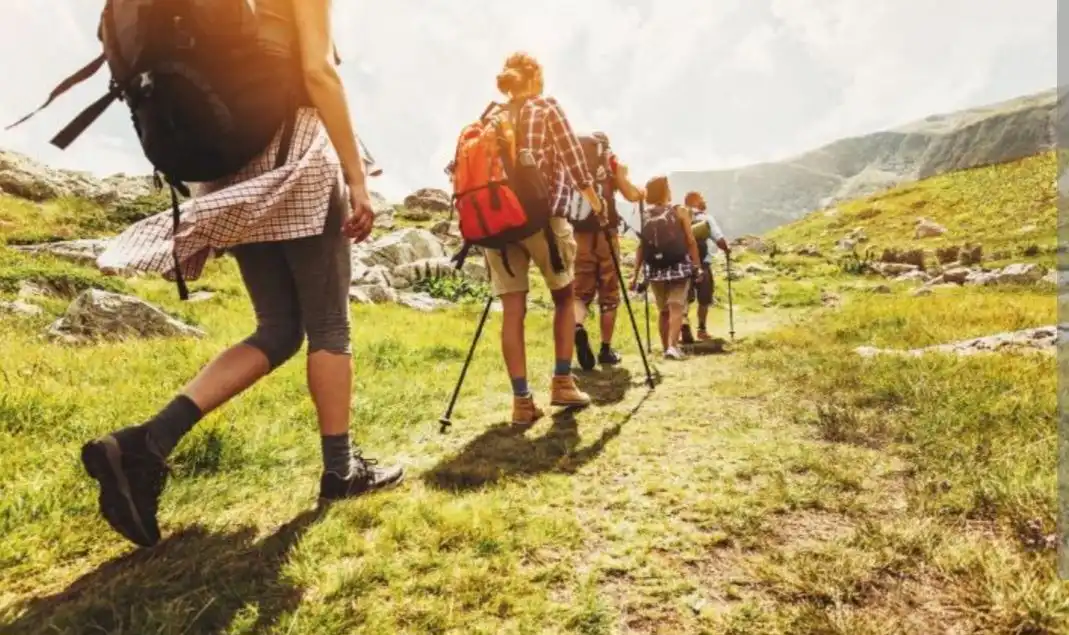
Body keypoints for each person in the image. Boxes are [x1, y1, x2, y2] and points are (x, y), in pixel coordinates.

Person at [81, 0, 403, 549]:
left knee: (276, 328)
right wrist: (357, 178)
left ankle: (145, 443)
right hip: (296, 154)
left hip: (230, 173)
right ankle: (340, 472)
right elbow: (318, 73)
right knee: (329, 325)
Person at [483, 52, 605, 426]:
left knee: (513, 311)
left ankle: (522, 402)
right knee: (565, 297)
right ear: (535, 77)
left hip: (498, 226)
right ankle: (562, 383)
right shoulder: (546, 107)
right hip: (542, 219)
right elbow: (574, 159)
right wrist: (595, 202)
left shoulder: (490, 116)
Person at [572, 132, 645, 371]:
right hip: (606, 233)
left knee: (580, 291)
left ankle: (577, 327)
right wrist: (640, 192)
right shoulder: (613, 163)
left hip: (578, 233)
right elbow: (631, 195)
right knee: (609, 291)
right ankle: (605, 349)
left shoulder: (575, 162)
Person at [630, 176, 702, 361]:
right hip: (678, 266)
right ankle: (673, 347)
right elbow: (690, 240)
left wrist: (635, 274)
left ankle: (665, 348)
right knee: (676, 306)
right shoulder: (680, 211)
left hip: (655, 269)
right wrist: (697, 266)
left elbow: (641, 246)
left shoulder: (644, 214)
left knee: (663, 310)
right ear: (666, 191)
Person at [680, 191, 730, 344]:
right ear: (697, 202)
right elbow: (718, 238)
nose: (704, 201)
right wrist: (726, 249)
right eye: (702, 199)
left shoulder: (679, 218)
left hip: (683, 264)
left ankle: (684, 327)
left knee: (684, 298)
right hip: (702, 263)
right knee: (704, 298)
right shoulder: (705, 218)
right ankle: (701, 330)